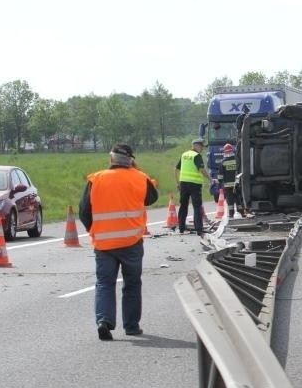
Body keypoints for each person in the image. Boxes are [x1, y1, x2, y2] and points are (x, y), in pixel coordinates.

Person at [78, 143, 159, 341]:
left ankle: (104, 321)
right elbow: (151, 198)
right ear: (131, 160)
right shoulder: (140, 178)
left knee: (105, 283)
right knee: (132, 284)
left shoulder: (95, 179)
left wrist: (95, 230)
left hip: (104, 245)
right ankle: (131, 326)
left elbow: (84, 211)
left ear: (111, 159)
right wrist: (137, 170)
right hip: (131, 242)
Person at [174, 138, 211, 236]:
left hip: (184, 184)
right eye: (201, 146)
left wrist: (178, 183)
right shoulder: (196, 155)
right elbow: (201, 169)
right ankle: (199, 229)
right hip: (195, 184)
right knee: (197, 207)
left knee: (183, 206)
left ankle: (181, 228)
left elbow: (176, 169)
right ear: (196, 146)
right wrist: (210, 179)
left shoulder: (184, 155)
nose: (202, 148)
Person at [218, 142, 243, 217]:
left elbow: (220, 176)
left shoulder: (223, 162)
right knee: (238, 199)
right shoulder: (237, 160)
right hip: (237, 184)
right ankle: (241, 213)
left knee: (230, 200)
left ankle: (231, 214)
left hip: (228, 186)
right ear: (232, 151)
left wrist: (220, 183)